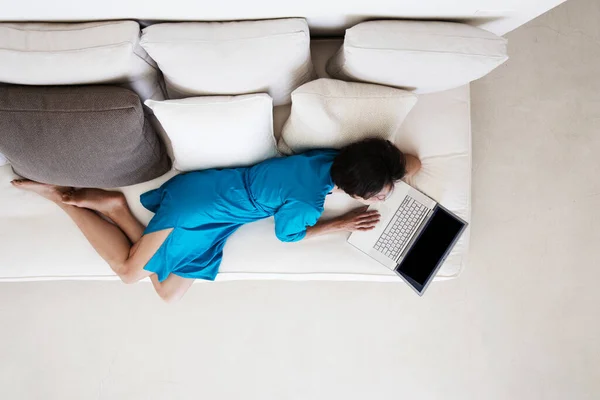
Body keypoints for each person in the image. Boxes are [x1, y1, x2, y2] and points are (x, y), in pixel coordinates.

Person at [11, 138, 421, 302]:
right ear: (352, 189)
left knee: (168, 293)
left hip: (219, 209)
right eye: (379, 192)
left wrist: (384, 175)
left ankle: (118, 210)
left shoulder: (333, 160)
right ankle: (66, 201)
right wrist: (340, 224)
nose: (384, 196)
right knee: (128, 272)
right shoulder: (307, 203)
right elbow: (288, 236)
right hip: (196, 208)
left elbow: (411, 163)